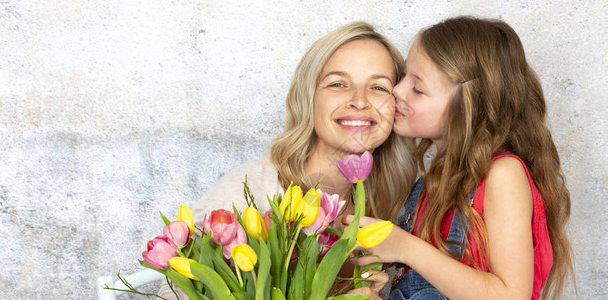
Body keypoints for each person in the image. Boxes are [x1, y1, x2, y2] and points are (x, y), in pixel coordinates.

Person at [158, 22, 417, 299]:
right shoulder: (250, 190)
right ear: (308, 98)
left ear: (397, 105)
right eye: (338, 84)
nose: (359, 100)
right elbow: (173, 292)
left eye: (378, 87)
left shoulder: (397, 209)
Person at [345, 16, 576, 299]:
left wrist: (405, 246)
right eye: (404, 76)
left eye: (417, 88)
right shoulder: (428, 186)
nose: (397, 90)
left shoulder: (502, 175)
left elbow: (510, 295)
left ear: (467, 106)